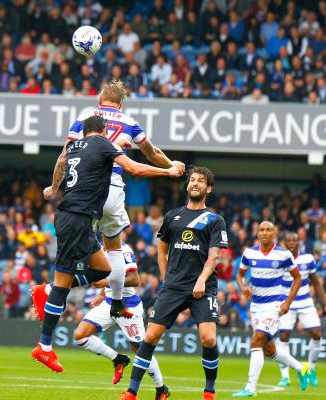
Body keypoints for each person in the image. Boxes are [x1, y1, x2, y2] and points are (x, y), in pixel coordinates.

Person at [31, 115, 184, 373]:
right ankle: (44, 346)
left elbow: (60, 162)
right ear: (103, 131)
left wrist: (53, 187)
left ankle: (49, 290)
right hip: (76, 217)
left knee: (103, 269)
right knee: (63, 282)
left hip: (76, 216)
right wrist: (167, 171)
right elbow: (135, 169)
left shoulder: (74, 146)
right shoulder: (103, 144)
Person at [40, 79, 183, 320]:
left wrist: (54, 187)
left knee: (78, 246)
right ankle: (116, 302)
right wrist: (172, 165)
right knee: (114, 248)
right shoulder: (129, 122)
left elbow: (65, 155)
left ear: (100, 98)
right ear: (121, 102)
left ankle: (53, 290)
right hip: (113, 189)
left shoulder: (86, 116)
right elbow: (151, 153)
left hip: (84, 192)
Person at [121, 166, 228, 400]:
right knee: (149, 338)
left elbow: (215, 256)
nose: (195, 183)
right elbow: (162, 250)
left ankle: (209, 392)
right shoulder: (172, 216)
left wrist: (201, 280)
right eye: (192, 180)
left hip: (203, 287)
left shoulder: (214, 220)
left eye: (201, 181)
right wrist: (165, 277)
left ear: (208, 188)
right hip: (174, 286)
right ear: (188, 185)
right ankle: (132, 392)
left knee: (209, 338)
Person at [73, 243, 171, 400]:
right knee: (80, 336)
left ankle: (161, 388)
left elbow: (134, 280)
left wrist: (105, 283)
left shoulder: (124, 250)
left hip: (127, 305)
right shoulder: (102, 249)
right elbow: (110, 272)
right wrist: (102, 293)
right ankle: (118, 359)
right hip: (108, 302)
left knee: (140, 350)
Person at [232, 222, 309, 397]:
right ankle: (300, 368)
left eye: (268, 230)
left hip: (274, 306)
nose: (265, 233)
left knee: (256, 341)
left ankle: (251, 387)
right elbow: (239, 275)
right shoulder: (249, 253)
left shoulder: (284, 255)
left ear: (274, 233)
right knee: (269, 349)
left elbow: (297, 279)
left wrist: (288, 302)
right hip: (256, 306)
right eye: (262, 230)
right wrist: (243, 287)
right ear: (257, 233)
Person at [276, 232, 325, 388]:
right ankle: (285, 376)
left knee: (316, 334)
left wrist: (324, 302)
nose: (292, 242)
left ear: (299, 242)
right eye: (289, 240)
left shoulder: (308, 259)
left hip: (305, 302)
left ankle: (310, 368)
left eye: (294, 240)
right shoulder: (280, 260)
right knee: (283, 336)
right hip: (286, 303)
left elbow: (316, 283)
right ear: (284, 243)